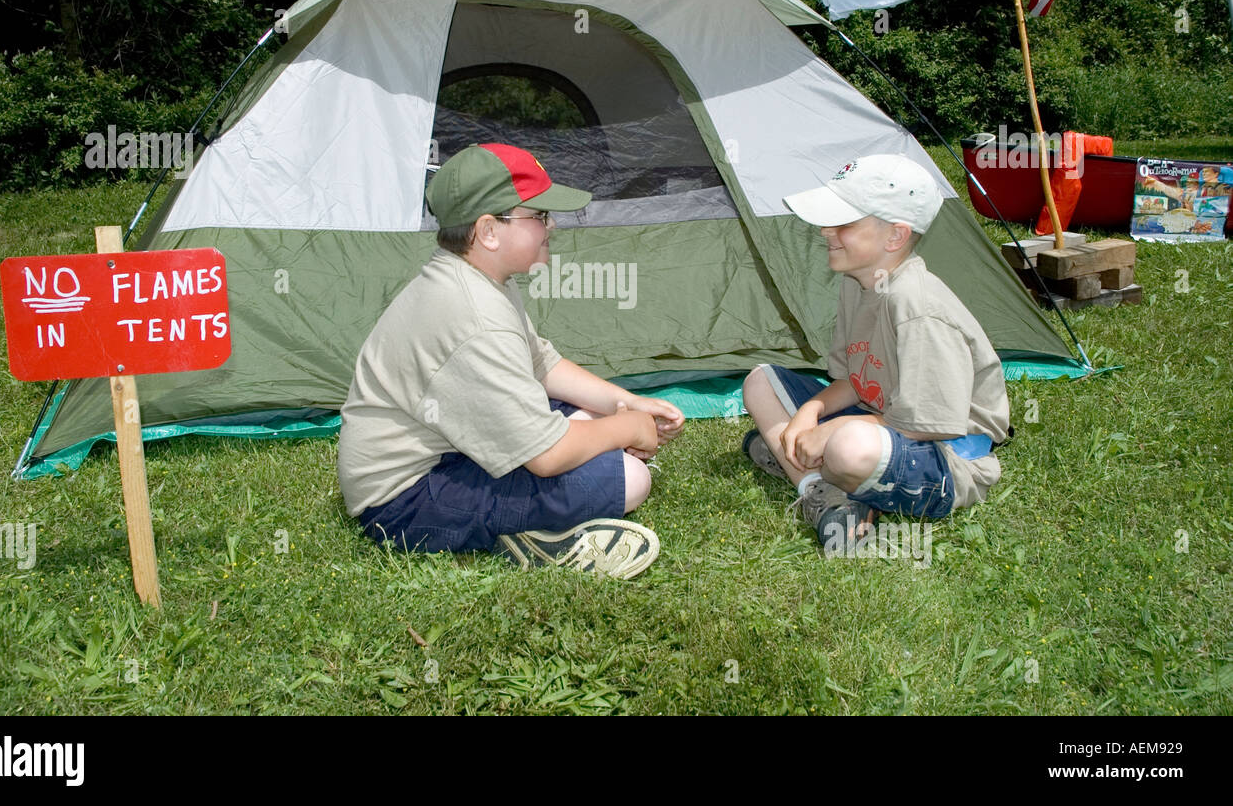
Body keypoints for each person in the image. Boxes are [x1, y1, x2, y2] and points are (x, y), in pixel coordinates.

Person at [338, 143, 684, 578]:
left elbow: (540, 364)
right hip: (404, 501)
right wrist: (627, 428)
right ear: (488, 231)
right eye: (538, 215)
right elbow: (547, 457)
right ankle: (529, 537)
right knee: (631, 478)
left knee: (593, 419)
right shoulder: (474, 315)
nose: (551, 224)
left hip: (449, 449)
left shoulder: (480, 275)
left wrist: (625, 402)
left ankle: (532, 517)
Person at [740, 153, 1010, 555]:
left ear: (895, 237)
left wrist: (828, 432)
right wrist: (809, 413)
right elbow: (853, 379)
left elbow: (927, 421)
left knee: (849, 447)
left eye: (844, 222)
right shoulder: (857, 282)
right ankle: (824, 490)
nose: (826, 231)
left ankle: (806, 468)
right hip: (882, 421)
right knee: (760, 380)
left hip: (945, 453)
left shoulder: (918, 308)